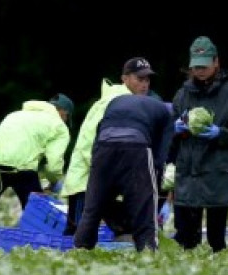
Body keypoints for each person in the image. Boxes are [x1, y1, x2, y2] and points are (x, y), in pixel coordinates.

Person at [61, 57, 160, 236]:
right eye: (140, 79)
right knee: (76, 234)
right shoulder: (113, 103)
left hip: (104, 178)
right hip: (85, 181)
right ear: (125, 79)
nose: (145, 84)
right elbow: (88, 143)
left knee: (121, 226)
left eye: (147, 79)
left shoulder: (130, 102)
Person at [170, 36, 228, 252]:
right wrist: (174, 129)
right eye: (196, 66)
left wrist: (220, 133)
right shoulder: (182, 94)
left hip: (218, 171)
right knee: (187, 240)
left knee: (216, 240)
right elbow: (169, 132)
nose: (200, 71)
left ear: (216, 62)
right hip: (188, 172)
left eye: (204, 65)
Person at [73, 94, 173, 252]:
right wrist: (157, 188)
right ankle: (147, 250)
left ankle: (81, 248)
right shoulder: (167, 116)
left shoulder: (117, 101)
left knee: (94, 204)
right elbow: (160, 158)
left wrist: (98, 167)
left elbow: (100, 130)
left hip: (103, 147)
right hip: (136, 145)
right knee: (144, 204)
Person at [0, 94, 73, 233]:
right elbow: (54, 164)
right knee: (35, 211)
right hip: (23, 170)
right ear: (63, 112)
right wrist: (53, 182)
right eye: (67, 118)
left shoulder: (14, 115)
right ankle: (36, 243)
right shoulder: (59, 126)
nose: (65, 121)